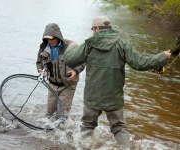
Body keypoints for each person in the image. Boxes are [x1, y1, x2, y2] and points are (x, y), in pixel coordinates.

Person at [63, 16, 171, 148]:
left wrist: (72, 46)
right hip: (114, 95)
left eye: (93, 29)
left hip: (93, 95)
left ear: (96, 28)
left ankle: (84, 147)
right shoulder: (122, 43)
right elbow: (140, 64)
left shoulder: (89, 44)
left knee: (87, 125)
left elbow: (69, 60)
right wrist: (162, 56)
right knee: (119, 127)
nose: (93, 32)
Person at [36, 23, 85, 120]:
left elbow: (82, 62)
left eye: (52, 39)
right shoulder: (43, 47)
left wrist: (75, 71)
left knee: (61, 115)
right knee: (49, 114)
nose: (50, 41)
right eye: (47, 39)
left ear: (58, 36)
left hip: (68, 85)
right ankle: (49, 134)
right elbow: (39, 62)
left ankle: (62, 132)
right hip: (52, 85)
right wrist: (41, 70)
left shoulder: (70, 45)